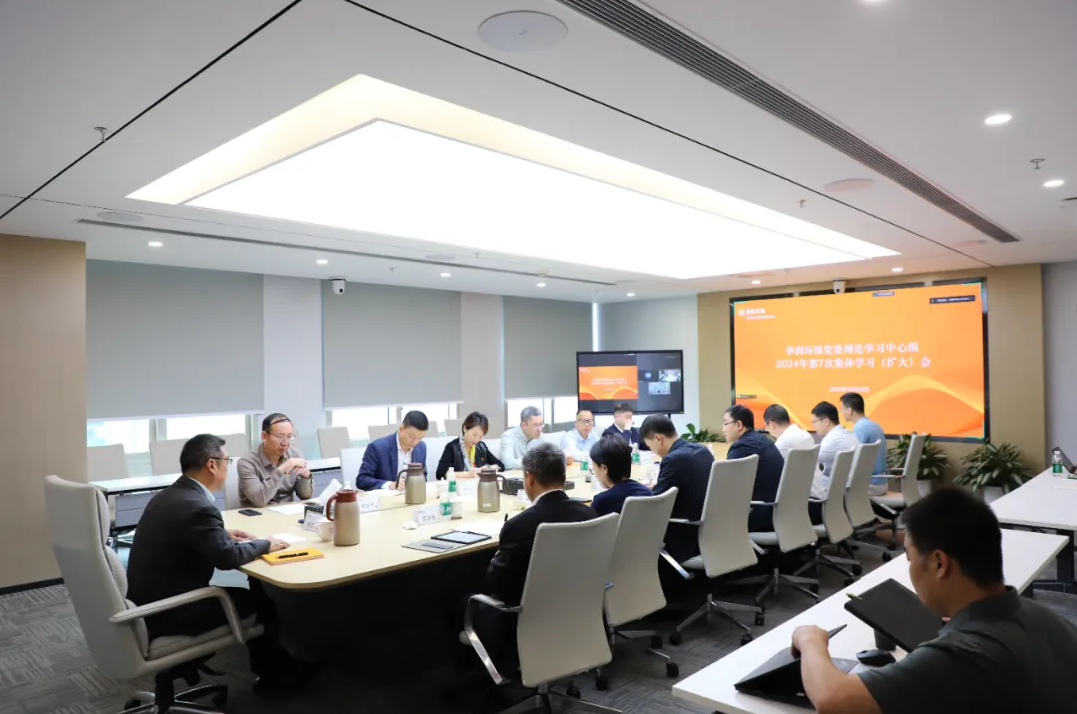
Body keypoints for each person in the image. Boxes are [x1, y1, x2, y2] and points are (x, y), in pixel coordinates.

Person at [791, 487, 1077, 714]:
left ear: (940, 563)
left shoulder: (961, 656)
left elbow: (833, 700)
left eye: (910, 557)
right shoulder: (1047, 618)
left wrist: (811, 640)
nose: (910, 568)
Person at [126, 435, 292, 692]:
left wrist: (220, 533)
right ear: (212, 465)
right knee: (262, 600)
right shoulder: (197, 507)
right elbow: (228, 559)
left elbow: (181, 533)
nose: (229, 466)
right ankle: (277, 678)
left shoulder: (170, 495)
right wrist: (266, 544)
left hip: (144, 602)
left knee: (252, 593)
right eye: (227, 460)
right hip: (172, 610)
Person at [474, 442, 597, 673]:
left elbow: (497, 584)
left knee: (461, 600)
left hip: (527, 617)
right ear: (563, 475)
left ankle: (478, 677)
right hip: (576, 612)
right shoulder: (588, 514)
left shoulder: (519, 525)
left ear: (529, 478)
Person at [640, 414, 713, 563]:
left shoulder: (672, 459)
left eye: (650, 447)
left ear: (658, 439)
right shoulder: (703, 451)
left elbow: (656, 505)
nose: (652, 451)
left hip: (685, 538)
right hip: (710, 532)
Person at [723, 405, 787, 532]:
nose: (723, 429)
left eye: (725, 423)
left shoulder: (741, 447)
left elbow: (727, 488)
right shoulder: (764, 441)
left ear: (739, 425)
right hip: (779, 513)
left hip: (760, 516)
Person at [236, 413, 314, 508]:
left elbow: (305, 495)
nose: (285, 443)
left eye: (289, 437)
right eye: (280, 437)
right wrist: (282, 469)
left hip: (287, 512)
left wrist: (306, 476)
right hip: (259, 514)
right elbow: (259, 501)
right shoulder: (246, 462)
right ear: (264, 436)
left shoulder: (295, 455)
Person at [356, 410, 429, 490]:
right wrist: (390, 485)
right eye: (412, 436)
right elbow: (362, 480)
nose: (415, 442)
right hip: (386, 496)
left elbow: (423, 476)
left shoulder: (421, 447)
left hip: (412, 495)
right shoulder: (377, 448)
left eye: (420, 438)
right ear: (401, 428)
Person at [840, 392, 889, 497]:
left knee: (833, 492)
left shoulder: (860, 428)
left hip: (870, 485)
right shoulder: (874, 425)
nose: (841, 412)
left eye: (842, 409)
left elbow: (854, 459)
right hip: (881, 482)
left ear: (849, 410)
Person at [589, 434, 651, 517]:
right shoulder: (645, 491)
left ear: (604, 468)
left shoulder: (602, 501)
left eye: (594, 468)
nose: (595, 473)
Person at [810, 401, 860, 499]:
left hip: (834, 492)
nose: (813, 426)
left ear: (826, 421)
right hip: (849, 489)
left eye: (814, 422)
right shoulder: (848, 434)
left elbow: (811, 461)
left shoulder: (832, 440)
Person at [436, 411, 504, 480]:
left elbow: (501, 466)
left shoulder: (481, 447)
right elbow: (440, 473)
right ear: (465, 428)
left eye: (480, 437)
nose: (476, 440)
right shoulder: (452, 447)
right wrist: (469, 474)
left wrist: (488, 469)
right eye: (474, 435)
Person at [499, 406, 544, 470]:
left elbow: (548, 458)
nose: (540, 429)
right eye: (535, 425)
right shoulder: (508, 436)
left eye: (541, 424)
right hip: (516, 475)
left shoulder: (540, 436)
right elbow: (507, 463)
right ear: (523, 425)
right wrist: (534, 462)